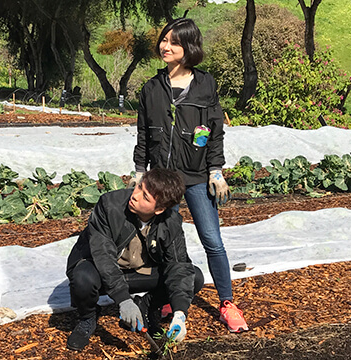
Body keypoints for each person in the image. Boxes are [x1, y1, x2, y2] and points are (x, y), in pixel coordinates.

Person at [130, 18, 248, 333]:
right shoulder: (151, 88)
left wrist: (216, 170)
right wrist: (140, 172)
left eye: (174, 42)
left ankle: (227, 302)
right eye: (164, 40)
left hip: (196, 175)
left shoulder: (205, 84)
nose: (165, 47)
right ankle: (166, 297)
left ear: (189, 48)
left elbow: (213, 131)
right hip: (162, 178)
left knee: (212, 239)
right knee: (163, 240)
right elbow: (143, 134)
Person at [65, 168, 204, 351]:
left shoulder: (171, 222)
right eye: (139, 187)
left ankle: (147, 307)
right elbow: (104, 256)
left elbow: (178, 265)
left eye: (146, 197)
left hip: (140, 272)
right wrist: (124, 300)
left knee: (194, 277)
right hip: (101, 269)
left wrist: (180, 313)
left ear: (160, 209)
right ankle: (87, 318)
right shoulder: (109, 205)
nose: (136, 195)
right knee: (82, 278)